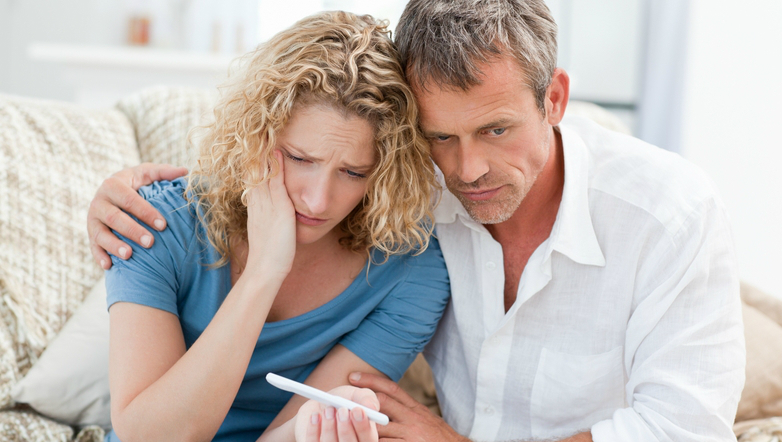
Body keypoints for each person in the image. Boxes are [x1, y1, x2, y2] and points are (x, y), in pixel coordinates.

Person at [89, 1, 746, 441]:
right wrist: (129, 195)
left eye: (496, 129)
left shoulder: (667, 213)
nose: (468, 170)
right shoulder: (413, 192)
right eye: (441, 137)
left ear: (555, 99)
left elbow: (685, 428)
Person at [95, 11, 449, 442]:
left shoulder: (410, 271)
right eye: (300, 159)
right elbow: (149, 437)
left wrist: (305, 428)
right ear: (255, 136)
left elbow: (294, 433)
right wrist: (264, 271)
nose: (318, 200)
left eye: (353, 172)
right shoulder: (156, 222)